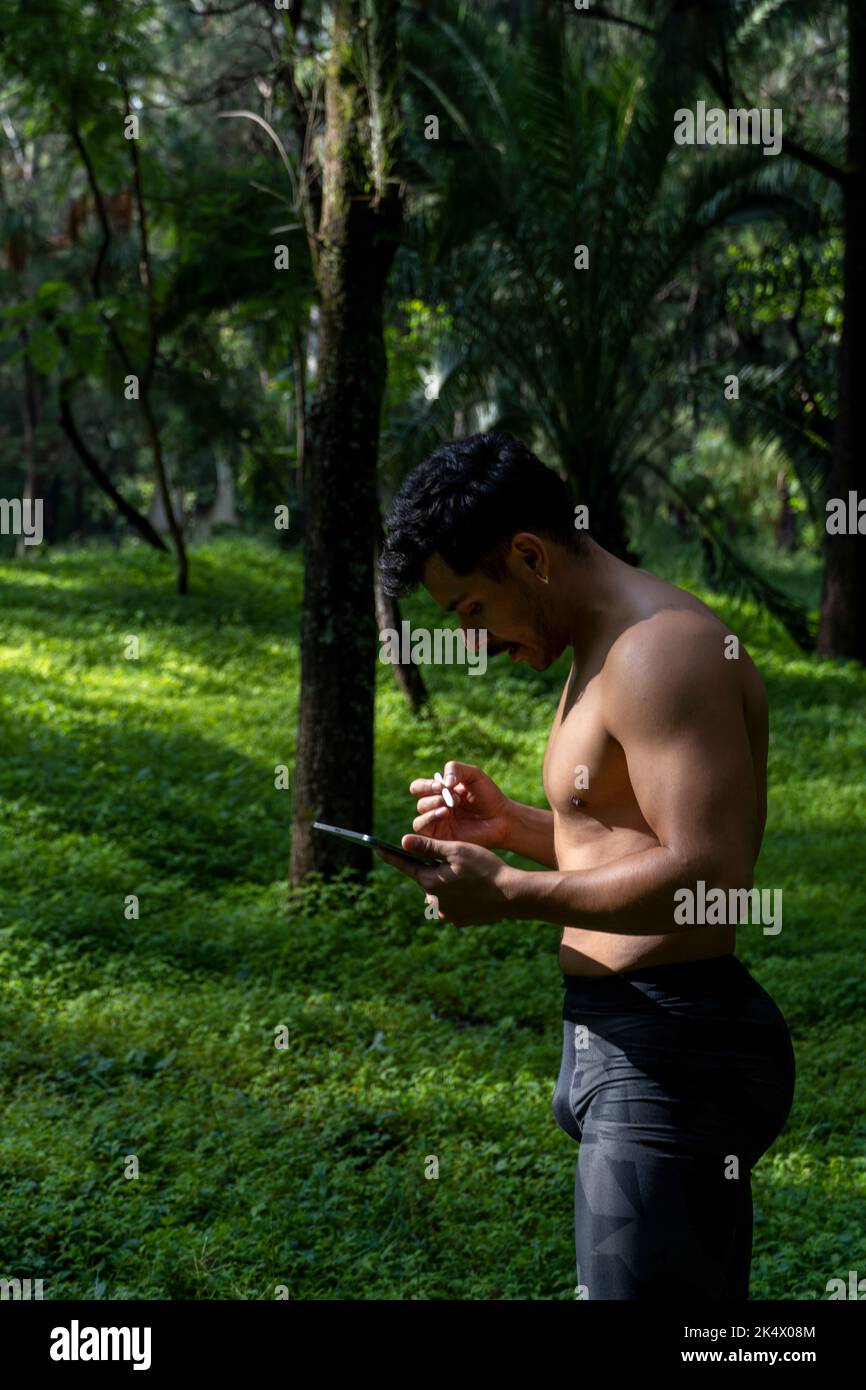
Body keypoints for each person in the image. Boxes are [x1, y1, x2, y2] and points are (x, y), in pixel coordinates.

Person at [375, 430, 795, 1300]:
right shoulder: (603, 648)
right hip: (628, 1043)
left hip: (672, 1056)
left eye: (470, 611)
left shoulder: (658, 651)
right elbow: (633, 832)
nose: (474, 639)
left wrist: (516, 896)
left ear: (529, 555)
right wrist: (514, 827)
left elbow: (714, 883)